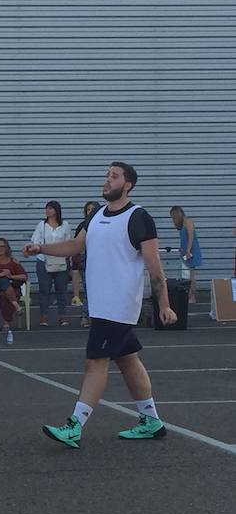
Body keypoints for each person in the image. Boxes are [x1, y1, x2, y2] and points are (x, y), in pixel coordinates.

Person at [26, 161, 177, 448]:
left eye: (114, 176)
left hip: (118, 305)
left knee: (94, 361)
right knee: (127, 358)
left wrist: (164, 304)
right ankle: (151, 420)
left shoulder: (138, 217)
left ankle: (74, 426)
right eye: (107, 175)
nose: (107, 180)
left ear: (128, 184)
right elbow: (74, 246)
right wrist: (41, 248)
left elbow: (155, 268)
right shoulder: (95, 215)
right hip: (100, 304)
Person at [31, 200, 73, 327]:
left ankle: (62, 316)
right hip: (44, 260)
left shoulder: (65, 225)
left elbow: (68, 242)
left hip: (61, 261)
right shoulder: (41, 225)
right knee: (44, 290)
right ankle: (44, 317)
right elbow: (35, 241)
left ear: (56, 210)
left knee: (61, 290)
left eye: (50, 208)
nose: (47, 211)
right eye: (46, 208)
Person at [0, 238, 28, 332]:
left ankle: (6, 323)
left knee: (4, 294)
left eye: (2, 246)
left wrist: (10, 276)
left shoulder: (13, 261)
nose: (0, 248)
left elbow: (24, 276)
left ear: (7, 248)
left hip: (12, 288)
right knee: (3, 280)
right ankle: (17, 307)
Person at [71, 201, 100, 327]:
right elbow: (76, 245)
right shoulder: (83, 226)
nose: (90, 211)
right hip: (86, 263)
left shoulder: (103, 225)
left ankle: (99, 317)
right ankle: (85, 316)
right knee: (90, 291)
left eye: (93, 209)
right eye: (88, 209)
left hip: (102, 263)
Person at [170, 206, 203, 303]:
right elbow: (183, 239)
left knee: (190, 275)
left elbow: (191, 237)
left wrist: (188, 250)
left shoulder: (188, 221)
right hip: (185, 251)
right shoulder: (181, 224)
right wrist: (182, 249)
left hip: (191, 251)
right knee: (185, 274)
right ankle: (187, 295)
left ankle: (192, 296)